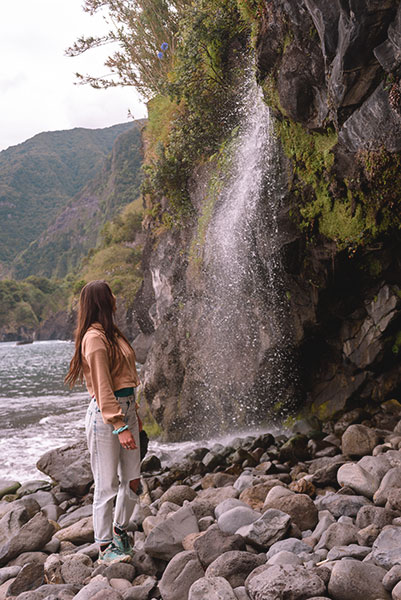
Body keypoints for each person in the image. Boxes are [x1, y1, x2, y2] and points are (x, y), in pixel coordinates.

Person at [65, 280, 141, 564]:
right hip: (107, 417)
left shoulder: (113, 334)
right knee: (107, 484)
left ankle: (121, 530)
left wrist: (135, 417)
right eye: (111, 294)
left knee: (133, 481)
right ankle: (104, 547)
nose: (115, 297)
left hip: (128, 410)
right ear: (101, 301)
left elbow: (127, 380)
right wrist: (119, 425)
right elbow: (102, 386)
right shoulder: (94, 338)